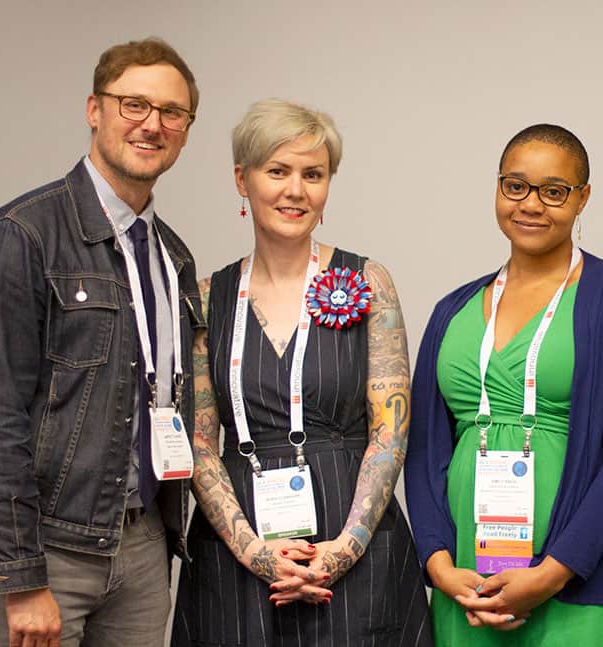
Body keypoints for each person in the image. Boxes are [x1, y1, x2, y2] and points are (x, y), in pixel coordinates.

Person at [0, 37, 203, 646]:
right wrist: (20, 577)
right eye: (133, 105)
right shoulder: (21, 236)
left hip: (144, 551)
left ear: (185, 130)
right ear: (94, 109)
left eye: (172, 112)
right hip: (46, 550)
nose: (152, 124)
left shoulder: (172, 257)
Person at [405, 124, 603, 645]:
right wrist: (439, 565)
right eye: (516, 186)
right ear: (498, 187)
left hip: (594, 587)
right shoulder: (452, 311)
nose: (531, 204)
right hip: (472, 590)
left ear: (583, 199)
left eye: (554, 191)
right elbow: (423, 456)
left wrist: (552, 573)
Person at [171, 99, 432, 646]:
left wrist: (346, 546)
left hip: (352, 545)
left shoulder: (367, 281)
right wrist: (255, 552)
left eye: (313, 175)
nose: (296, 190)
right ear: (242, 180)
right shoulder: (208, 299)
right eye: (277, 171)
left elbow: (391, 430)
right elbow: (198, 443)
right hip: (238, 558)